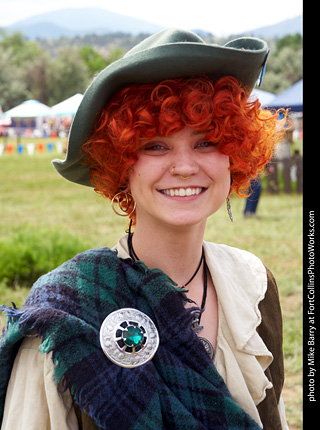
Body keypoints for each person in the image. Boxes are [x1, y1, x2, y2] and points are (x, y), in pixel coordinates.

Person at [0, 29, 288, 430]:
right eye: (155, 145)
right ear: (121, 164)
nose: (185, 166)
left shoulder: (254, 285)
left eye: (206, 142)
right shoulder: (64, 313)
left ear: (234, 155)